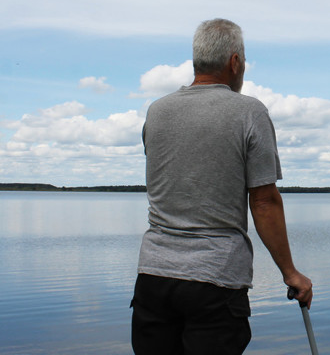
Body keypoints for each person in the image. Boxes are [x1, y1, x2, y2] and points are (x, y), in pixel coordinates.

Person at [131, 18, 313, 355]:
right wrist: (290, 273)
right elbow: (263, 202)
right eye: (242, 61)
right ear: (234, 62)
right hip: (215, 281)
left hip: (153, 278)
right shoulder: (249, 112)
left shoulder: (157, 111)